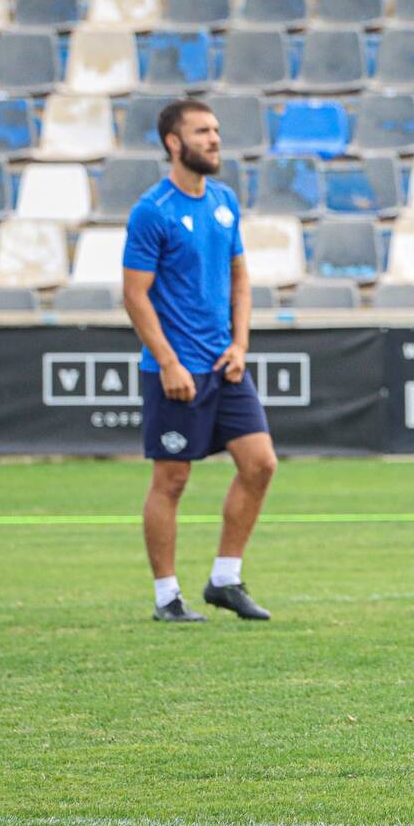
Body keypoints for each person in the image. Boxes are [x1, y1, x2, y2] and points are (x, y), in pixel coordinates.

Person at [122, 98, 276, 624]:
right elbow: (135, 295)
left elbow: (239, 279)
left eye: (216, 129)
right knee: (172, 480)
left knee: (260, 465)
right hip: (175, 369)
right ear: (173, 142)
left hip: (225, 364)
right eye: (202, 131)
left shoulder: (225, 200)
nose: (214, 139)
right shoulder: (152, 211)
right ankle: (167, 596)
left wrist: (241, 344)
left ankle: (225, 581)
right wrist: (167, 361)